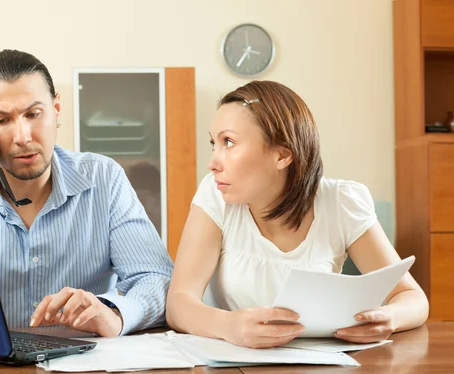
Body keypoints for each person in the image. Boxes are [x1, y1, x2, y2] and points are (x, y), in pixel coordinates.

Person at [0, 49, 173, 337]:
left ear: (56, 110)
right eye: (2, 120)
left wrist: (114, 314)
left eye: (34, 114)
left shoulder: (104, 179)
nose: (23, 136)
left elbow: (156, 278)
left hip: (82, 370)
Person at [166, 80, 429, 349]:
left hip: (318, 372)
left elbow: (413, 297)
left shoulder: (341, 204)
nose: (213, 163)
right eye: (215, 143)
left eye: (229, 142)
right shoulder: (215, 196)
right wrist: (228, 326)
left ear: (282, 155)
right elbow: (178, 304)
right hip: (234, 373)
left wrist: (389, 317)